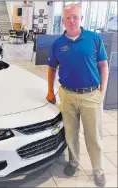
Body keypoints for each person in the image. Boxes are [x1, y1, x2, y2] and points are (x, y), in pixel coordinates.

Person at [45, 3, 108, 187]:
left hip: (91, 96)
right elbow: (51, 68)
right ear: (63, 21)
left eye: (75, 17)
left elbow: (103, 66)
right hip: (67, 96)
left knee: (94, 136)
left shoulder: (94, 38)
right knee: (71, 134)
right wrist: (50, 90)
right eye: (68, 18)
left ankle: (98, 170)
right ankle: (73, 162)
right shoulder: (58, 44)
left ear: (81, 18)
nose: (71, 20)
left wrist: (102, 92)